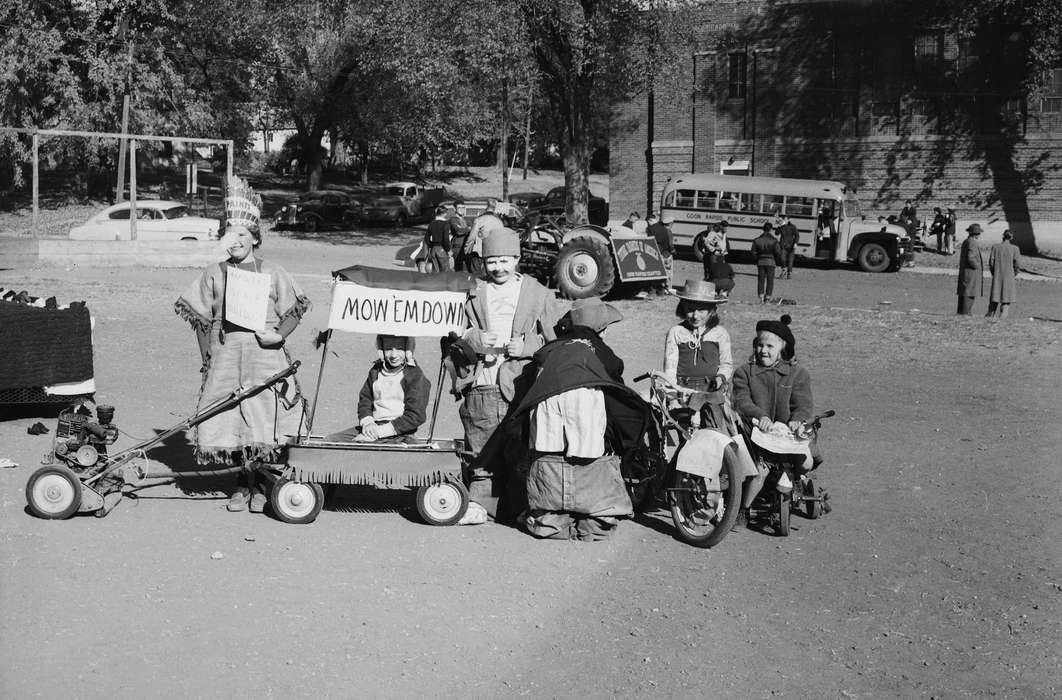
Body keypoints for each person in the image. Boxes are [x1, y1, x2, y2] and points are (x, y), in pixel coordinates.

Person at [174, 177, 310, 514]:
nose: (234, 242)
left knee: (267, 421)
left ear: (254, 238)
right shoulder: (213, 273)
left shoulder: (274, 272)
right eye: (229, 234)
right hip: (227, 358)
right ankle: (239, 485)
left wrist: (280, 334)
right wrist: (207, 358)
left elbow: (295, 308)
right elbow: (201, 317)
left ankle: (264, 485)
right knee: (231, 419)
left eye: (241, 235)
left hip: (266, 357)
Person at [509, 298, 643, 540]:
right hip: (585, 404)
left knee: (549, 455)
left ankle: (551, 519)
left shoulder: (555, 346)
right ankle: (591, 518)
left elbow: (535, 364)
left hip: (547, 402)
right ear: (602, 328)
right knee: (588, 458)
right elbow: (614, 375)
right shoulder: (599, 349)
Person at [455, 227, 565, 523]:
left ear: (517, 259)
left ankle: (520, 508)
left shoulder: (538, 293)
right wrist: (476, 339)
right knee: (481, 446)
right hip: (484, 380)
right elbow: (454, 333)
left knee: (522, 450)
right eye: (492, 261)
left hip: (522, 383)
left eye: (505, 260)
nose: (498, 267)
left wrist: (528, 345)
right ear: (482, 262)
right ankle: (478, 504)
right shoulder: (473, 292)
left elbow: (554, 341)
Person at [732, 314, 819, 467]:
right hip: (755, 432)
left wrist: (796, 419)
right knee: (759, 470)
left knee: (806, 463)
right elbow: (742, 400)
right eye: (760, 345)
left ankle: (797, 484)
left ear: (783, 348)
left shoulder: (797, 374)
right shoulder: (744, 372)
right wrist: (760, 416)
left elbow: (803, 405)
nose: (763, 350)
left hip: (788, 434)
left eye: (770, 346)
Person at [325, 335, 430, 442]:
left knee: (362, 446)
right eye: (388, 349)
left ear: (408, 350)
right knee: (330, 440)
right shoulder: (376, 371)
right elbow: (365, 400)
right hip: (373, 425)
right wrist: (368, 422)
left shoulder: (415, 375)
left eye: (400, 349)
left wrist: (379, 432)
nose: (394, 355)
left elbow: (415, 416)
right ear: (382, 350)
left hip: (400, 431)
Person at [663, 279, 733, 429]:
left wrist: (721, 377)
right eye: (690, 309)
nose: (695, 315)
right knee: (687, 437)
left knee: (712, 435)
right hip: (684, 393)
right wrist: (672, 399)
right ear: (682, 308)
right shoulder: (676, 333)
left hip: (711, 393)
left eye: (701, 310)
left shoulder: (720, 334)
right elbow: (670, 369)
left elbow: (726, 364)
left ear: (712, 310)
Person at [463, 198, 504, 275]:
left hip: (480, 252)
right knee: (491, 274)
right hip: (493, 252)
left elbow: (472, 236)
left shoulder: (480, 219)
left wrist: (466, 248)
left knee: (476, 275)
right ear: (494, 208)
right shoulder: (499, 222)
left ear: (486, 207)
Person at [986, 229, 1021, 319]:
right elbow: (1017, 264)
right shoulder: (1015, 249)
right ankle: (1002, 318)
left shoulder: (995, 247)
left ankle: (989, 316)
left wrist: (994, 273)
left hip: (997, 275)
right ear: (1011, 237)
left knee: (994, 298)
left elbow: (991, 263)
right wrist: (1014, 273)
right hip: (1009, 276)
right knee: (1006, 299)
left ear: (1003, 236)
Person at [956, 223, 985, 315]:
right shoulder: (972, 243)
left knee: (965, 292)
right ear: (976, 234)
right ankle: (965, 313)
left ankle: (962, 312)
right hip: (971, 273)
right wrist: (977, 266)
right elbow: (970, 257)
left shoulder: (966, 241)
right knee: (969, 293)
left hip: (966, 272)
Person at [751, 222, 782, 303]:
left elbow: (753, 252)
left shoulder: (756, 240)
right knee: (770, 281)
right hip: (771, 262)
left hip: (760, 262)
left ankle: (761, 297)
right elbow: (778, 253)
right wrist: (777, 260)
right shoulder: (774, 241)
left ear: (763, 229)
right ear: (771, 230)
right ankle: (767, 297)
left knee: (761, 280)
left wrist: (757, 260)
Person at [648, 214, 675, 295]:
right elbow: (670, 244)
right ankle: (667, 289)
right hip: (666, 254)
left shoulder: (659, 230)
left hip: (658, 253)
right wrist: (673, 251)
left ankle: (657, 289)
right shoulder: (668, 232)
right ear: (671, 224)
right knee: (668, 272)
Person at [422, 206, 453, 273]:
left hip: (433, 250)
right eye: (446, 213)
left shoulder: (432, 223)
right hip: (441, 250)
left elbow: (426, 238)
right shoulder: (445, 224)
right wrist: (448, 249)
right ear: (444, 213)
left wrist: (432, 245)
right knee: (446, 272)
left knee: (435, 272)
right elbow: (446, 239)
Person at [445, 204, 471, 271]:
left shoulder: (467, 220)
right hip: (458, 247)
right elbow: (458, 231)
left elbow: (472, 230)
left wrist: (464, 229)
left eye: (463, 207)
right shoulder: (452, 220)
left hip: (468, 246)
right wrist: (468, 228)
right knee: (459, 269)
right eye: (459, 207)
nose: (462, 209)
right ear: (455, 209)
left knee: (470, 268)